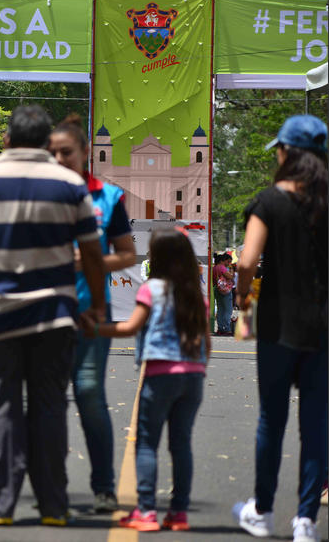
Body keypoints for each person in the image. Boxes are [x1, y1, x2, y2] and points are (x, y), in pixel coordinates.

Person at [0, 105, 105, 528]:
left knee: (1, 409)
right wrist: (96, 307)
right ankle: (54, 506)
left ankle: (0, 507)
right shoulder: (70, 184)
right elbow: (92, 250)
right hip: (53, 316)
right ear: (46, 144)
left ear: (6, 140)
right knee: (50, 407)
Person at [232, 115, 328, 542]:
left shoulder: (269, 201)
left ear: (287, 154)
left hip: (277, 325)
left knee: (272, 420)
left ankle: (263, 510)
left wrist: (241, 295)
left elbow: (248, 261)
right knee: (317, 423)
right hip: (323, 328)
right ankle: (306, 520)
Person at [81, 229, 210, 532]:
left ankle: (147, 511)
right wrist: (199, 367)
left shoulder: (151, 289)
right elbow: (206, 340)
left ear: (157, 258)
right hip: (193, 376)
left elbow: (130, 328)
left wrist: (96, 329)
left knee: (148, 443)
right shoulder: (195, 295)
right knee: (181, 445)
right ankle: (179, 513)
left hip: (160, 375)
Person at [48, 117, 136, 513]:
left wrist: (91, 261)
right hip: (42, 315)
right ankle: (52, 486)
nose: (58, 158)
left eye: (66, 151)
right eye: (52, 152)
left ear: (85, 153)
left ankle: (103, 488)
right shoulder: (37, 196)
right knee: (48, 402)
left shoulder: (109, 198)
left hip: (89, 315)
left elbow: (128, 255)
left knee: (88, 394)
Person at [212, 253, 235, 335]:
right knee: (228, 310)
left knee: (220, 309)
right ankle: (227, 329)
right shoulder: (222, 267)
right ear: (223, 260)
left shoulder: (214, 268)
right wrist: (232, 271)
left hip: (217, 289)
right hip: (225, 290)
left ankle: (220, 328)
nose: (228, 264)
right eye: (228, 262)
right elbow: (230, 277)